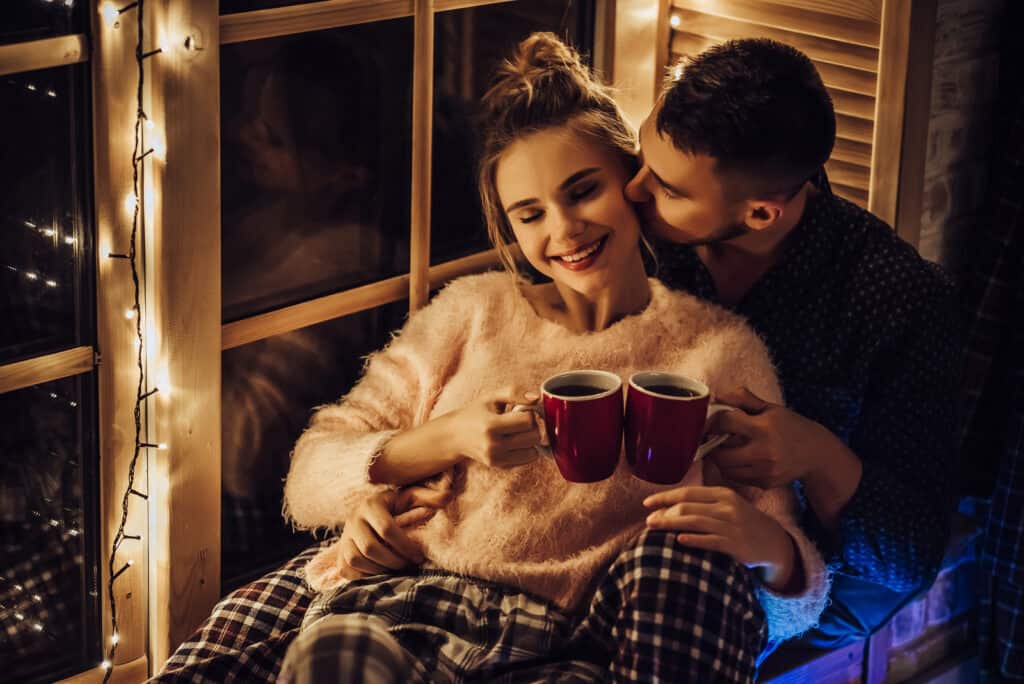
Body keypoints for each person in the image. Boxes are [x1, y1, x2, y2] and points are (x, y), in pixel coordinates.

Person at [274, 32, 829, 684]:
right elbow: (308, 477)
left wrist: (772, 552)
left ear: (634, 185)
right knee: (324, 658)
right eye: (530, 214)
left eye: (584, 189)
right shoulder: (470, 310)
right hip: (410, 603)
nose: (563, 231)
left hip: (575, 635)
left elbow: (791, 611)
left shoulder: (718, 353)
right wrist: (439, 442)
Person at [624, 38, 964, 656]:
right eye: (641, 157)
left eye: (670, 189)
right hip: (639, 536)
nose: (635, 191)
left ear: (760, 213)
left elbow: (908, 557)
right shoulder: (643, 236)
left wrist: (817, 455)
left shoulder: (898, 300)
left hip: (812, 586)